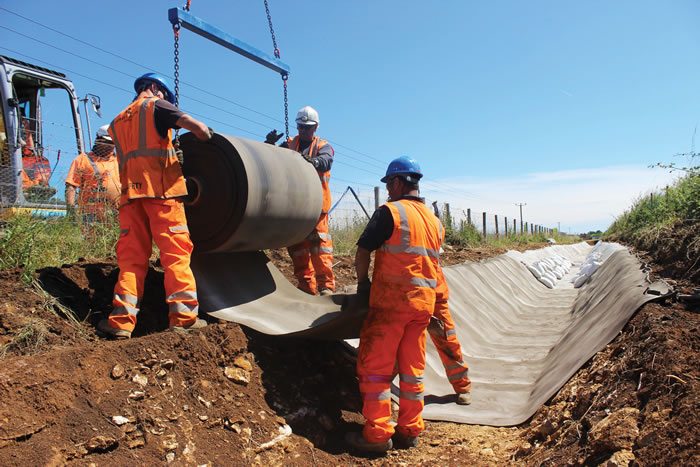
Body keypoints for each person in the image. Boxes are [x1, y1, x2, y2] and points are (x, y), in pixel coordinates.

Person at [97, 73, 213, 339]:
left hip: (130, 198)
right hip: (161, 194)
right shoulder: (156, 105)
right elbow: (198, 128)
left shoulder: (117, 121)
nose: (165, 99)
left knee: (131, 260)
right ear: (154, 88)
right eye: (164, 94)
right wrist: (206, 136)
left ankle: (121, 323)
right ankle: (183, 319)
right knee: (176, 254)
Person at [346, 156, 445, 453]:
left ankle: (377, 436)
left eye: (389, 183)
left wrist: (363, 284)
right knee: (413, 369)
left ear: (399, 182)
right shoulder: (434, 221)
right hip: (422, 308)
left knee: (375, 368)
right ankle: (410, 430)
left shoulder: (391, 212)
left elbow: (364, 250)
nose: (388, 190)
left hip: (391, 305)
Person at [271, 106, 335, 296]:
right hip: (295, 208)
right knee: (298, 250)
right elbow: (271, 158)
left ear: (315, 127)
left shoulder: (323, 146)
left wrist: (313, 161)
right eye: (300, 127)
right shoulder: (289, 144)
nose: (303, 131)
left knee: (320, 250)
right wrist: (268, 144)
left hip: (317, 208)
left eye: (307, 127)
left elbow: (326, 161)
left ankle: (326, 288)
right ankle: (307, 289)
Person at [65, 125, 120, 223]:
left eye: (112, 143)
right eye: (107, 142)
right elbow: (71, 187)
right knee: (91, 238)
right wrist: (71, 211)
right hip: (91, 215)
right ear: (98, 139)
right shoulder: (83, 160)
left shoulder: (119, 161)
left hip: (117, 214)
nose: (110, 146)